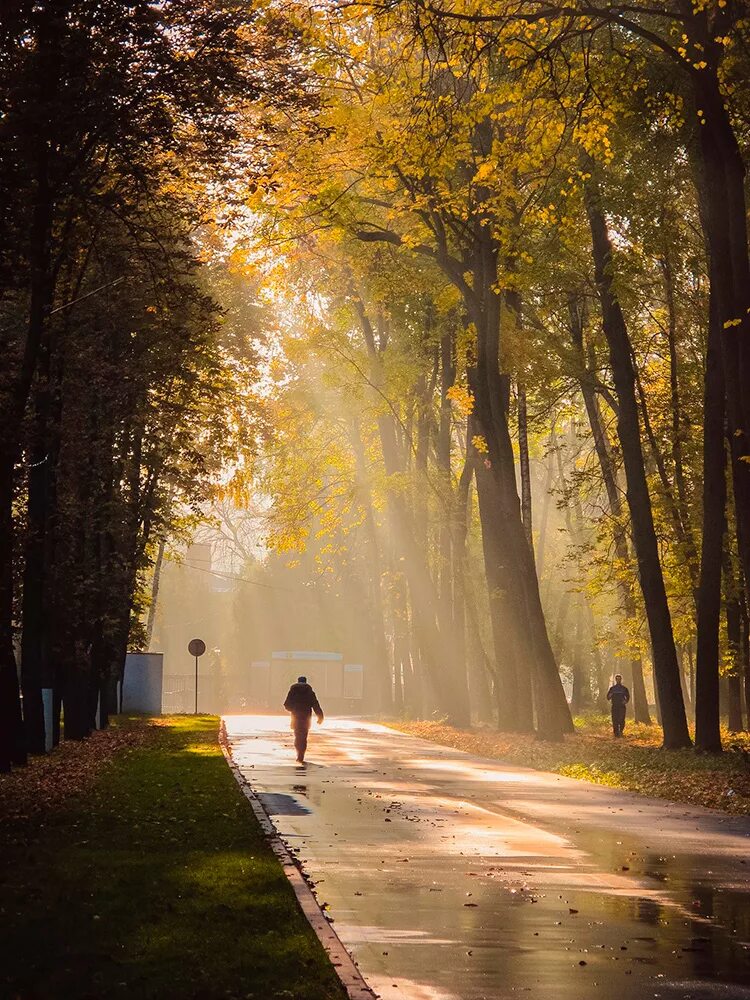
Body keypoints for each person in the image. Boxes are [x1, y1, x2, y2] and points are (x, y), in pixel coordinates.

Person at [283, 675, 324, 763]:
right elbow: (315, 705)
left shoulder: (293, 691)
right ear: (306, 682)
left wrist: (293, 709)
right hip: (306, 717)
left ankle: (298, 754)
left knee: (297, 736)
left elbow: (286, 704)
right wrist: (320, 716)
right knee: (304, 737)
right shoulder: (310, 692)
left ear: (298, 681)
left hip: (296, 717)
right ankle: (301, 755)